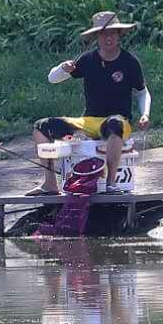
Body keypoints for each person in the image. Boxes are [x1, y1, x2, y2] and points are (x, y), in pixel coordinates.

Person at [30, 11, 152, 196]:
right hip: (89, 121)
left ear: (119, 35)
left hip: (119, 122)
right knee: (42, 126)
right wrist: (63, 68)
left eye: (112, 33)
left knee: (114, 123)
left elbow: (142, 92)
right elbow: (52, 79)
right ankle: (49, 184)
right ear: (96, 37)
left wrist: (145, 114)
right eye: (103, 33)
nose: (108, 38)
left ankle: (111, 184)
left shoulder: (129, 61)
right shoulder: (87, 60)